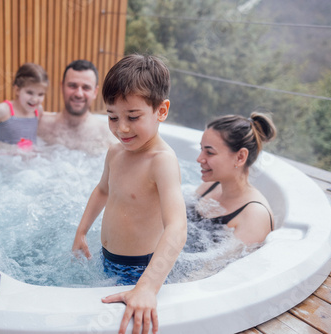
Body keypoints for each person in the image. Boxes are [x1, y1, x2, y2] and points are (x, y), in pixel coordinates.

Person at [72, 54, 187, 334]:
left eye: (133, 117)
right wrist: (82, 231)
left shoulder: (162, 161)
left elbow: (177, 225)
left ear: (161, 110)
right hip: (108, 258)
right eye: (112, 117)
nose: (121, 128)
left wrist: (148, 286)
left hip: (140, 270)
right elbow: (102, 191)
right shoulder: (115, 151)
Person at [191, 111, 277, 245]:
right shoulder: (210, 186)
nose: (199, 158)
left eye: (209, 152)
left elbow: (213, 266)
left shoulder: (254, 215)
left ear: (240, 157)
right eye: (201, 149)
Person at [38, 60, 116, 154]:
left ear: (95, 92)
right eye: (72, 86)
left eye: (86, 87)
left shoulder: (108, 134)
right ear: (62, 86)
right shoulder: (40, 125)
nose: (79, 94)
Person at [0, 63, 48, 150]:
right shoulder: (4, 110)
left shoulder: (38, 110)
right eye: (29, 93)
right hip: (6, 158)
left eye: (40, 94)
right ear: (17, 90)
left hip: (29, 159)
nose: (35, 99)